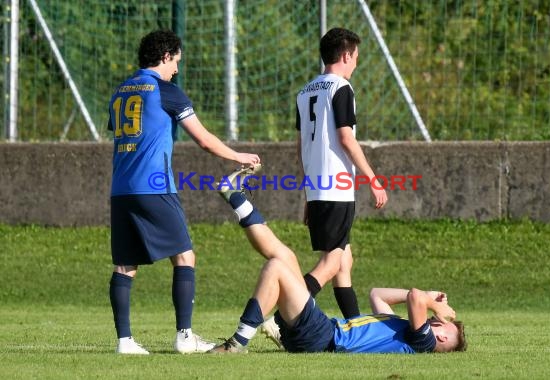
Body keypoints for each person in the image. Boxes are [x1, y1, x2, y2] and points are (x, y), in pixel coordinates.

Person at [107, 30, 261, 355]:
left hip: (121, 188)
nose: (176, 69)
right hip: (155, 187)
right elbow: (203, 139)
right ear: (165, 57)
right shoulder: (167, 92)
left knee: (125, 265)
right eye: (175, 61)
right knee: (184, 255)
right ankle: (185, 336)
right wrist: (239, 156)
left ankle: (124, 341)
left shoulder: (121, 91)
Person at [209, 176, 466, 354]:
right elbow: (377, 294)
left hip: (323, 337)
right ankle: (236, 198)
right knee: (286, 257)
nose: (436, 318)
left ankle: (238, 342)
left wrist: (434, 303)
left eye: (443, 323)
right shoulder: (400, 328)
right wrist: (430, 299)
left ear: (441, 336)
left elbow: (415, 297)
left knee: (277, 266)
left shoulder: (422, 342)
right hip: (319, 334)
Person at [295, 27, 388, 319]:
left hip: (318, 187)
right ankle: (282, 315)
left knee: (344, 260)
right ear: (346, 55)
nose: (357, 64)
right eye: (356, 57)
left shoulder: (304, 91)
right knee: (333, 261)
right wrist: (373, 180)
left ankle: (355, 323)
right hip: (336, 187)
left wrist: (308, 196)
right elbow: (346, 137)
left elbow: (303, 147)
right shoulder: (341, 88)